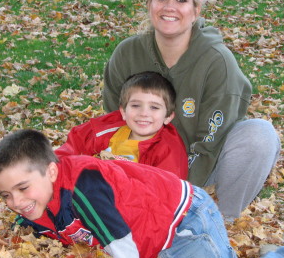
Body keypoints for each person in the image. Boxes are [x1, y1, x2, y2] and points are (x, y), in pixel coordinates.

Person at [0, 129, 284, 258]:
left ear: (51, 170)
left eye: (22, 188)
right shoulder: (36, 202)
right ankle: (279, 254)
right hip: (156, 239)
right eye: (6, 195)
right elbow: (38, 222)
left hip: (185, 222)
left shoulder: (83, 184)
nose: (17, 202)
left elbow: (120, 243)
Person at [102, 0, 281, 219]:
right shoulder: (127, 53)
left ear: (196, 10)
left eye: (182, 0)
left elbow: (210, 141)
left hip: (201, 161)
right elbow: (111, 120)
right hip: (141, 160)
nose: (169, 8)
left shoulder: (217, 61)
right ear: (149, 4)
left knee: (259, 135)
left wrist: (177, 193)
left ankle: (222, 220)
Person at [55, 71, 188, 179]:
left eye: (154, 107)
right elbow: (70, 150)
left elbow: (167, 193)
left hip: (132, 205)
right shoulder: (106, 130)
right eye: (136, 105)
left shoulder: (168, 150)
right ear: (123, 111)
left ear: (168, 116)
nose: (144, 113)